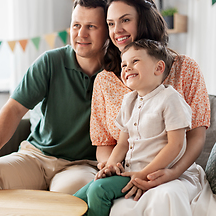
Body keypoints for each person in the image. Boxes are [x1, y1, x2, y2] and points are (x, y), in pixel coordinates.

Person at [90, 0, 216, 216]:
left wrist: (174, 172)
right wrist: (112, 166)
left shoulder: (185, 68)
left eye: (125, 20)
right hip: (127, 171)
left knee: (164, 198)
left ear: (144, 20)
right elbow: (106, 144)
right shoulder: (105, 80)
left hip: (174, 173)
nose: (116, 30)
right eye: (110, 23)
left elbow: (196, 136)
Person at [0, 0, 109, 194]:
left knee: (66, 196)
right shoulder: (50, 61)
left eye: (91, 26)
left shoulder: (119, 72)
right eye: (76, 25)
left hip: (80, 165)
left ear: (108, 30)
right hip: (35, 157)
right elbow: (14, 109)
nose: (81, 34)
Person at [74, 39, 193, 216]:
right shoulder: (129, 101)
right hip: (128, 171)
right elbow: (122, 144)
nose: (127, 68)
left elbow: (175, 145)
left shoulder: (170, 98)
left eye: (135, 61)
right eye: (123, 65)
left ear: (158, 68)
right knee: (76, 199)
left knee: (98, 191)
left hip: (149, 173)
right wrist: (111, 165)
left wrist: (144, 173)